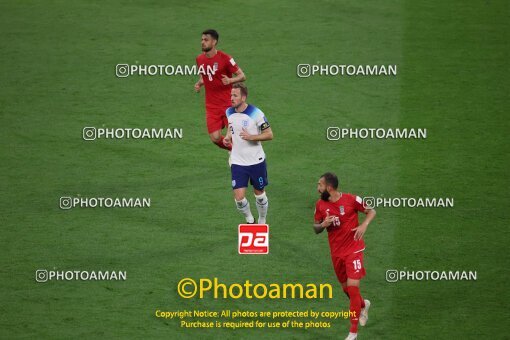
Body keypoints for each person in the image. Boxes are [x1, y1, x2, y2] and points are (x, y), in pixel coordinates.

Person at [313, 172, 376, 340]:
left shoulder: (351, 200)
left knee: (353, 287)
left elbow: (371, 211)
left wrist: (364, 225)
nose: (318, 189)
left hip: (353, 250)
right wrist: (322, 224)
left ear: (329, 187)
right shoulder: (320, 205)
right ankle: (364, 305)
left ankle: (353, 333)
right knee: (347, 290)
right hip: (336, 253)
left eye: (320, 185)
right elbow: (315, 228)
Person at [223, 83, 272, 224]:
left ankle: (262, 219)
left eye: (235, 95)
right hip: (238, 161)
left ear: (243, 97)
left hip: (256, 161)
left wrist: (252, 137)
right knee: (239, 198)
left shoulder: (256, 114)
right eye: (231, 95)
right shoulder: (229, 112)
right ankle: (250, 219)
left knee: (260, 195)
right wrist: (228, 137)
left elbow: (269, 134)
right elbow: (231, 127)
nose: (231, 98)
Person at [195, 29, 246, 151]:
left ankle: (242, 156)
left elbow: (242, 76)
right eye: (202, 39)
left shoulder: (226, 58)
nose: (202, 42)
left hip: (228, 104)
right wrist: (200, 83)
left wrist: (230, 80)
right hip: (211, 106)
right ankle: (233, 151)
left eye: (206, 40)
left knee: (234, 135)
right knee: (215, 138)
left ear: (214, 42)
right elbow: (205, 75)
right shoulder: (199, 59)